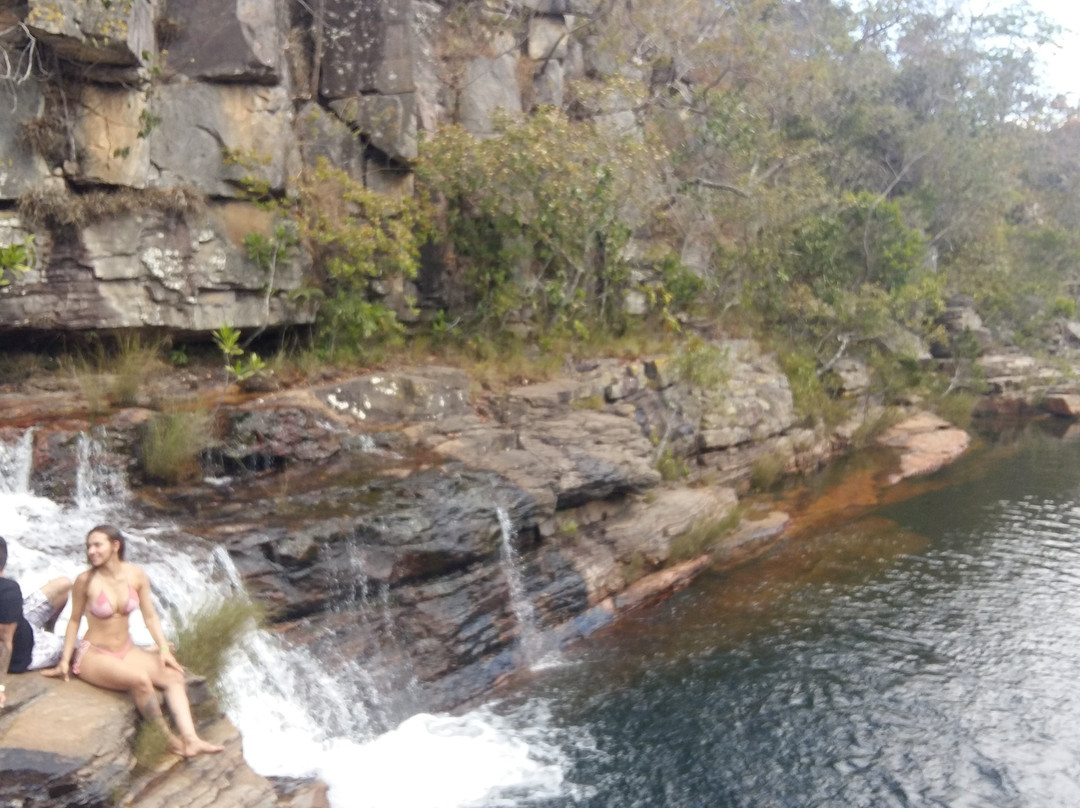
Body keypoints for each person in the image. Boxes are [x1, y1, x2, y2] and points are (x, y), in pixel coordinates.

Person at [44, 524, 223, 757]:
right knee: (140, 680)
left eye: (97, 545)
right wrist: (65, 661)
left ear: (115, 546)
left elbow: (149, 615)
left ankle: (191, 739)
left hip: (127, 650)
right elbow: (74, 621)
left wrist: (162, 648)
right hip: (94, 654)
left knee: (173, 675)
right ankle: (166, 739)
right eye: (89, 546)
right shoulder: (85, 581)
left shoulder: (136, 575)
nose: (91, 551)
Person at [0, 535, 72, 710]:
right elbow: (4, 643)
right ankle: (52, 642)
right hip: (29, 651)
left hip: (21, 623)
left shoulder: (8, 591)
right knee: (83, 646)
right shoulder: (9, 591)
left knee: (63, 584)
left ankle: (49, 631)